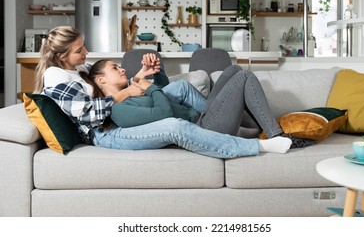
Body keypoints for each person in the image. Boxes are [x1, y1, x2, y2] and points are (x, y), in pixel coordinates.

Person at [35, 25, 292, 159]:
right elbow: (89, 112)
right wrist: (133, 90)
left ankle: (221, 122)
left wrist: (147, 75)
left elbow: (109, 82)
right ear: (61, 55)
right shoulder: (55, 75)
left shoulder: (81, 69)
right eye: (80, 50)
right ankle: (257, 145)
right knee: (173, 126)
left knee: (220, 77)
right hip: (104, 133)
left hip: (119, 115)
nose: (86, 52)